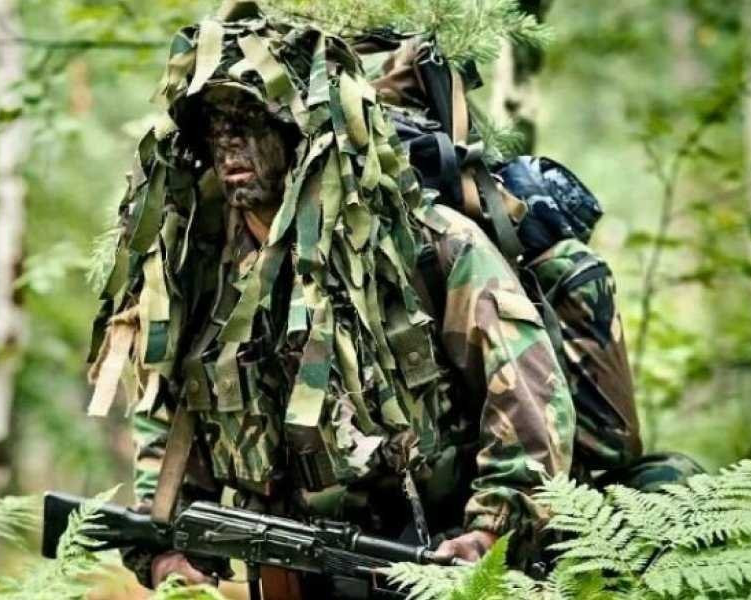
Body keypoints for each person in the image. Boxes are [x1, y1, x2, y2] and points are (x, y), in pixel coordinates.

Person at [86, 3, 575, 594]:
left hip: (427, 562)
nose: (230, 142)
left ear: (302, 130)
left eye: (251, 117)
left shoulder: (427, 247)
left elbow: (529, 405)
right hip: (287, 571)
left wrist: (488, 536)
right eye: (215, 123)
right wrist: (165, 549)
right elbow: (168, 417)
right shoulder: (201, 269)